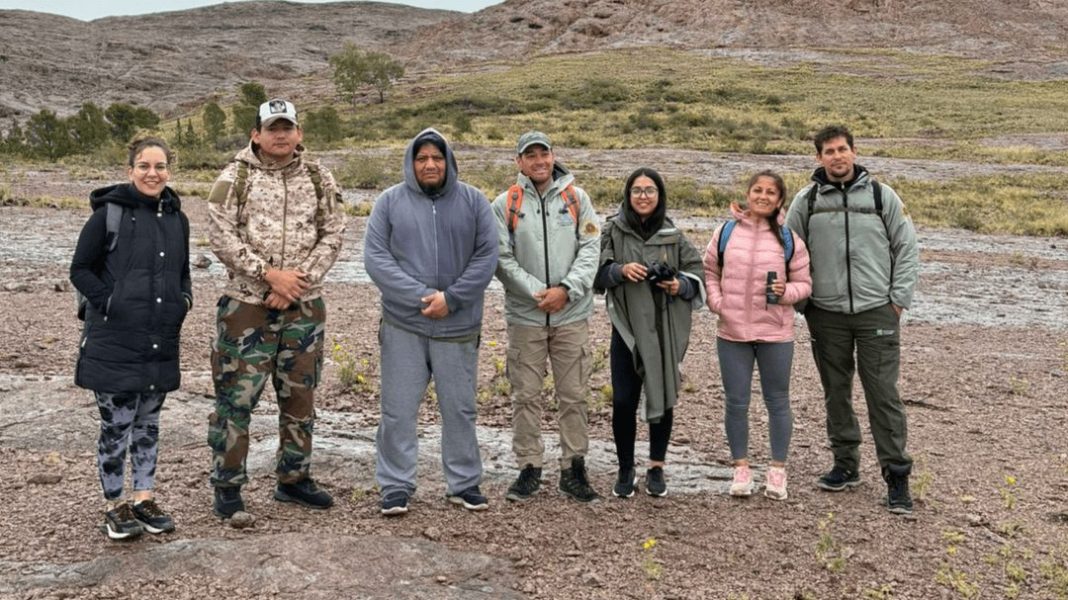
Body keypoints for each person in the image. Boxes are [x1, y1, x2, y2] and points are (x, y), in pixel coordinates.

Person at [206, 98, 346, 519]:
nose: (281, 135)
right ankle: (228, 485)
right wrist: (269, 275)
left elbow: (334, 232)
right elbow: (221, 237)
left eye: (287, 127)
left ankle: (294, 479)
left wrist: (295, 282)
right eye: (272, 128)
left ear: (299, 133)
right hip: (246, 308)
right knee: (236, 400)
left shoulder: (320, 177)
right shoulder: (234, 178)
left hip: (303, 307)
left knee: (300, 397)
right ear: (256, 134)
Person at [785, 124, 919, 515]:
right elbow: (788, 251)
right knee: (836, 391)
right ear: (818, 157)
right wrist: (803, 302)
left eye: (842, 149)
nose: (837, 157)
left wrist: (897, 301)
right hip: (825, 314)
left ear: (854, 152)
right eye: (829, 151)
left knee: (883, 394)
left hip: (877, 310)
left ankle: (896, 476)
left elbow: (906, 248)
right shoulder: (807, 201)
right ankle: (845, 464)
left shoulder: (882, 196)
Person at [364, 128, 498, 517]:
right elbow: (376, 258)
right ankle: (396, 485)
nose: (430, 164)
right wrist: (423, 297)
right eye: (422, 158)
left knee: (460, 410)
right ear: (411, 162)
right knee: (397, 410)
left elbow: (487, 257)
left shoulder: (474, 202)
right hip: (403, 325)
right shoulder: (389, 202)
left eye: (437, 158)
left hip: (458, 327)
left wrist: (451, 299)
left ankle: (464, 483)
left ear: (448, 161)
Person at [70, 137, 191, 539]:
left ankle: (143, 498)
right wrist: (111, 303)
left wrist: (183, 301)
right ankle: (114, 505)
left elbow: (183, 273)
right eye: (144, 166)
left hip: (159, 339)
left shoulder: (177, 218)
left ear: (169, 170)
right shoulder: (108, 214)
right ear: (130, 170)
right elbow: (80, 269)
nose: (152, 173)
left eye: (160, 166)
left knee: (148, 425)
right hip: (114, 341)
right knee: (116, 426)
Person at [493, 131, 602, 503]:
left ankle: (574, 469)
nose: (539, 161)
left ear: (553, 156)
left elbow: (591, 248)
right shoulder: (505, 204)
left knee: (574, 395)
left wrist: (567, 289)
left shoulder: (577, 199)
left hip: (571, 315)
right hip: (526, 317)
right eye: (531, 155)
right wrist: (539, 292)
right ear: (519, 161)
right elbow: (501, 259)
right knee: (525, 395)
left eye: (544, 153)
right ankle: (529, 467)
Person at [594, 167, 705, 499]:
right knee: (623, 400)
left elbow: (696, 272)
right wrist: (619, 270)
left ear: (660, 196)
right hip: (626, 329)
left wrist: (679, 284)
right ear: (628, 195)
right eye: (637, 190)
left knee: (663, 392)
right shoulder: (613, 231)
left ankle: (656, 466)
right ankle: (625, 467)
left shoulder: (673, 235)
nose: (643, 196)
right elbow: (596, 273)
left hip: (661, 329)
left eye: (650, 190)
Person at [703, 170, 811, 501]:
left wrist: (786, 292)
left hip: (775, 333)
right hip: (732, 332)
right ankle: (741, 468)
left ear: (780, 200)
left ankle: (777, 470)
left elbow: (805, 284)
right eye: (757, 190)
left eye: (770, 192)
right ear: (748, 194)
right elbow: (709, 271)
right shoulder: (725, 232)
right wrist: (717, 302)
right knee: (736, 402)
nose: (763, 196)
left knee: (777, 400)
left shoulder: (789, 239)